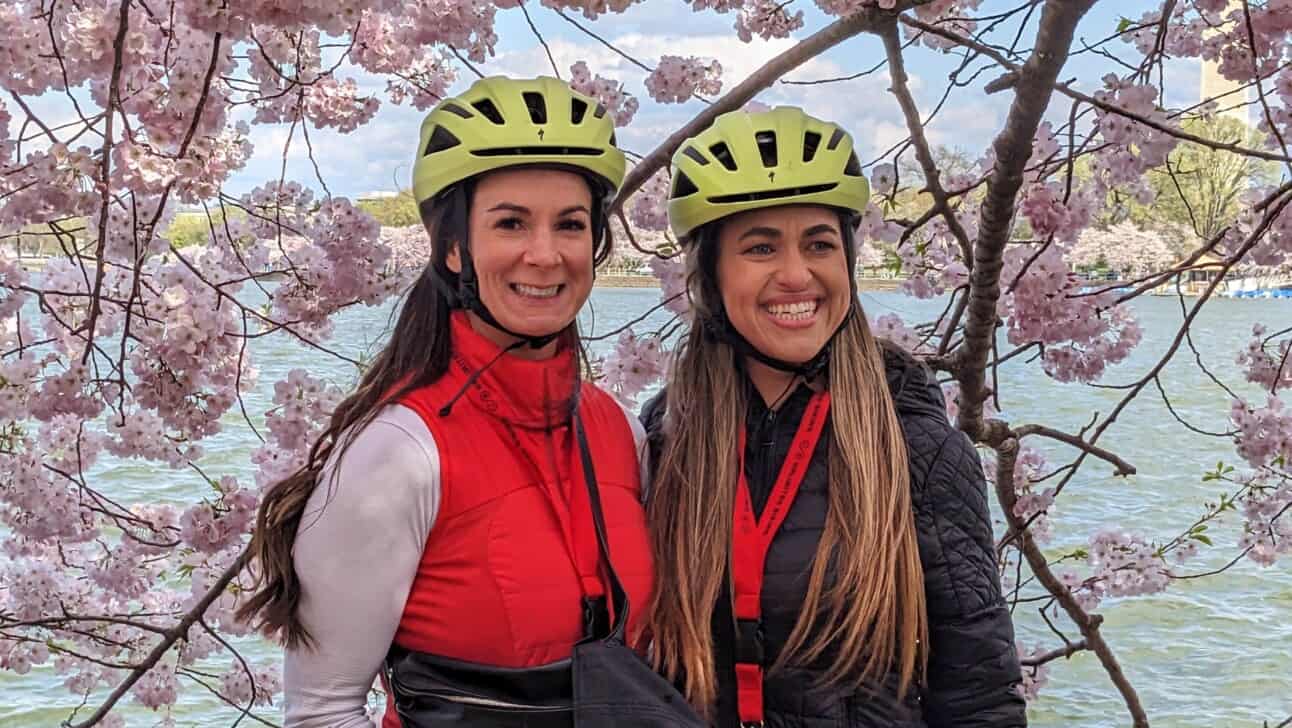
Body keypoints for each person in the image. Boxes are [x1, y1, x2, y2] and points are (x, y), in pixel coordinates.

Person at [238, 76, 655, 727]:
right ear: (455, 247)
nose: (545, 254)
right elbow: (322, 711)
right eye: (511, 223)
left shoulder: (619, 432)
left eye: (570, 225)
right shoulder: (397, 452)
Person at [641, 107, 1027, 727]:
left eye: (819, 244)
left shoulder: (914, 448)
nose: (796, 275)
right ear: (710, 275)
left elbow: (980, 696)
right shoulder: (668, 437)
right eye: (761, 246)